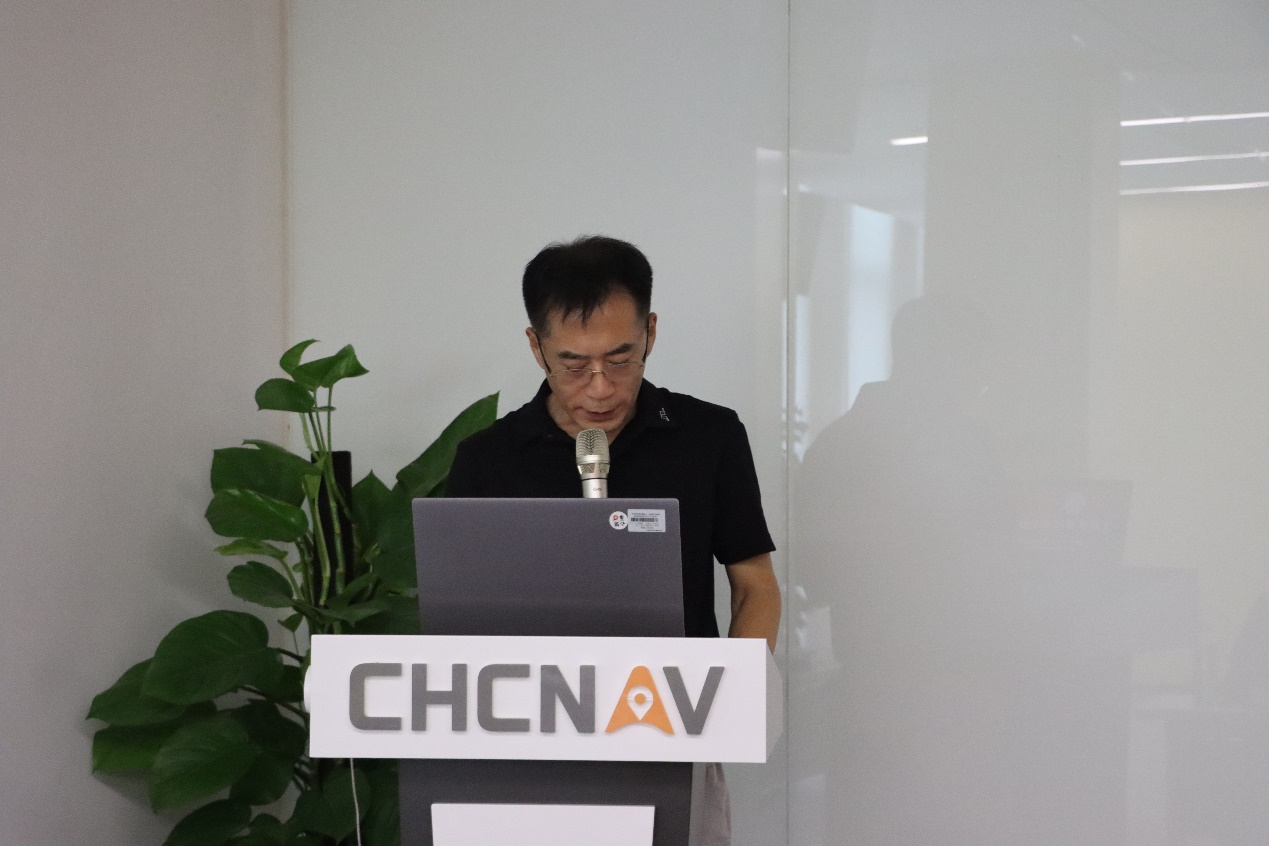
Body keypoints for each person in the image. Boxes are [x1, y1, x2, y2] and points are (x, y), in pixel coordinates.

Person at [447, 234, 781, 845]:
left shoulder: (708, 437)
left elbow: (754, 584)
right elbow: (457, 619)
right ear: (536, 347)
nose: (599, 387)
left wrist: (733, 697)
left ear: (650, 333)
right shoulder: (488, 460)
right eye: (574, 365)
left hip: (675, 731)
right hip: (531, 744)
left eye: (621, 360)